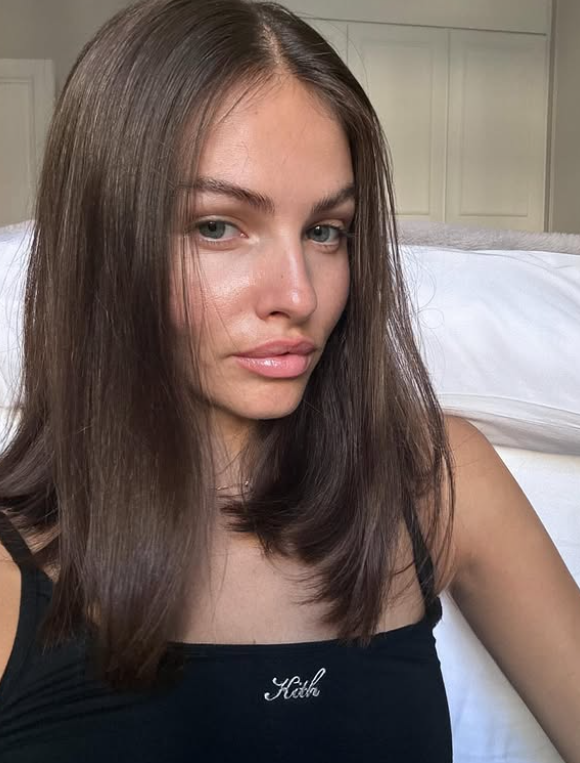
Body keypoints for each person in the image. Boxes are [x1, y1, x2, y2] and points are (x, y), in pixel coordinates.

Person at [0, 0, 578, 761]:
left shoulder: (436, 477)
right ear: (104, 243)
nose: (299, 295)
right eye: (218, 226)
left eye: (325, 231)